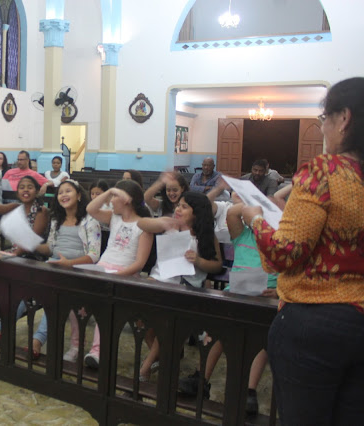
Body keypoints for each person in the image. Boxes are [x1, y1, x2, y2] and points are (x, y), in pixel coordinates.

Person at [241, 77, 364, 425]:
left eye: (324, 118)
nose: (322, 128)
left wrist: (255, 219)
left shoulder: (324, 171)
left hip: (316, 322)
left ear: (344, 118)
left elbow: (284, 253)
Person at [177, 201, 278, 414]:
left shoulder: (278, 242)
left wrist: (278, 291)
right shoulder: (243, 235)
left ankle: (249, 390)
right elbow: (232, 213)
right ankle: (201, 378)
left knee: (262, 337)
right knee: (216, 330)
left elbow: (292, 272)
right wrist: (257, 203)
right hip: (236, 293)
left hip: (265, 297)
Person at [136, 192, 222, 380]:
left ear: (197, 213)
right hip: (160, 280)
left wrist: (198, 261)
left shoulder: (204, 236)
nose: (178, 209)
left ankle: (146, 367)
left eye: (184, 207)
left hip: (186, 287)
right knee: (141, 320)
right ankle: (165, 358)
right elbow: (141, 223)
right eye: (178, 206)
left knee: (166, 321)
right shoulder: (171, 227)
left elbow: (216, 265)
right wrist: (165, 222)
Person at [12, 180, 101, 359]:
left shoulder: (90, 221)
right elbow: (50, 248)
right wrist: (32, 243)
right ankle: (1, 329)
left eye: (68, 191)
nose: (63, 195)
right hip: (54, 266)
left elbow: (94, 255)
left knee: (53, 296)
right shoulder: (56, 220)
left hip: (77, 270)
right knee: (24, 290)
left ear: (78, 195)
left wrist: (68, 263)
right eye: (60, 192)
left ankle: (38, 340)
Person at [79, 180, 153, 368]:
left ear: (127, 200)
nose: (110, 201)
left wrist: (116, 277)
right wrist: (111, 190)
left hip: (125, 276)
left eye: (114, 197)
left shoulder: (143, 225)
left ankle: (98, 352)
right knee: (90, 302)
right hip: (103, 271)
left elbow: (139, 263)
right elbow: (90, 208)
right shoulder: (114, 218)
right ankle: (89, 349)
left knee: (111, 308)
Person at [0, 174, 50, 341]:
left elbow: (31, 240)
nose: (25, 190)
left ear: (37, 191)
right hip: (15, 255)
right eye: (22, 187)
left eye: (29, 187)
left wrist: (12, 254)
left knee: (6, 279)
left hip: (34, 257)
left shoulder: (41, 211)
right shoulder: (16, 207)